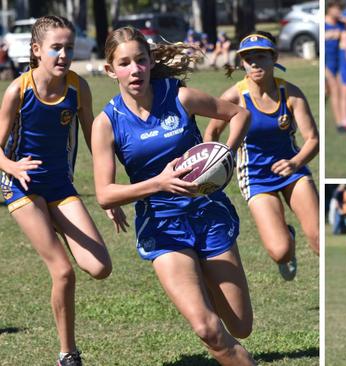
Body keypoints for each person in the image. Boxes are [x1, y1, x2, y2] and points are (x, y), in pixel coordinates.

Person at [91, 26, 256, 365]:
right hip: (163, 226)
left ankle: (202, 276)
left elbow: (239, 114)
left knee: (240, 326)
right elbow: (105, 194)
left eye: (140, 60)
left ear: (151, 62)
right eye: (124, 63)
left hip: (208, 214)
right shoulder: (106, 123)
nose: (134, 70)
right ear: (110, 70)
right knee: (208, 328)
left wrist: (224, 153)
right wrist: (159, 183)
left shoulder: (179, 96)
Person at [0, 15, 120, 366]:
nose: (64, 54)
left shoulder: (77, 88)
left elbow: (94, 141)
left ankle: (52, 220)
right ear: (37, 51)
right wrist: (11, 166)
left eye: (68, 47)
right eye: (56, 48)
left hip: (60, 186)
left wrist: (108, 194)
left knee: (99, 267)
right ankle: (68, 355)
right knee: (63, 271)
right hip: (22, 187)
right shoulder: (17, 90)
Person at [204, 32, 319, 281]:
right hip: (255, 175)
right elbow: (212, 130)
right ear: (241, 63)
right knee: (281, 252)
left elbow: (313, 140)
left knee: (320, 239)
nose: (255, 63)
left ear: (274, 58)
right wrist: (211, 163)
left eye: (261, 56)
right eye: (248, 59)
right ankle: (287, 236)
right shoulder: (235, 96)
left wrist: (295, 162)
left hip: (293, 169)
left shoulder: (291, 93)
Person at [325, 1, 344, 130]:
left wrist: (345, 19)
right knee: (335, 90)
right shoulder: (324, 24)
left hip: (338, 62)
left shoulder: (341, 24)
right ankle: (339, 124)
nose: (338, 12)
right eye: (336, 9)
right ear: (329, 9)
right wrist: (329, 35)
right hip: (326, 63)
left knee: (327, 92)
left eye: (340, 9)